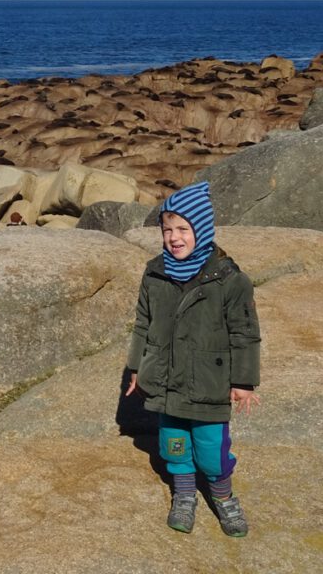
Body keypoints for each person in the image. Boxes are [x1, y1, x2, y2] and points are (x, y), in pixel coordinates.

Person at [124, 181, 260, 536]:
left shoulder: (230, 280)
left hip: (209, 384)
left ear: (201, 229)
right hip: (167, 383)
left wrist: (243, 382)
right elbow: (143, 323)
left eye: (183, 229)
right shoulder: (155, 273)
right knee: (175, 445)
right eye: (167, 230)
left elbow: (244, 334)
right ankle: (184, 494)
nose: (174, 237)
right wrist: (138, 367)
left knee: (213, 451)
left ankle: (224, 497)